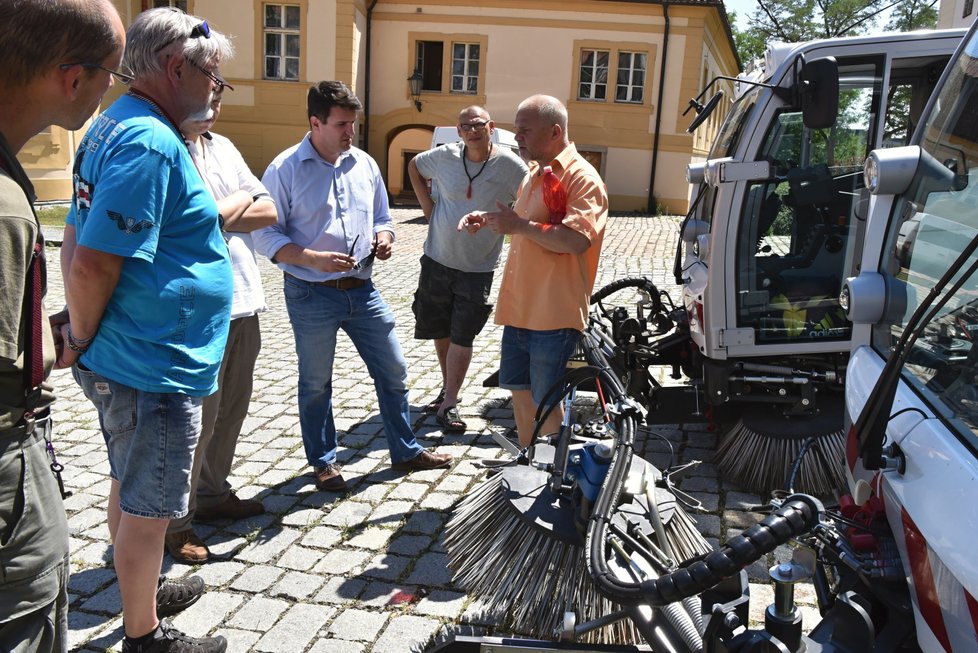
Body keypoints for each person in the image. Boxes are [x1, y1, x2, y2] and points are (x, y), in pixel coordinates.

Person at [58, 7, 234, 653]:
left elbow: (79, 234)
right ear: (174, 67)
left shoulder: (118, 125)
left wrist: (86, 333)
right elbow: (91, 259)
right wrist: (78, 336)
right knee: (151, 504)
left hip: (139, 354)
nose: (217, 88)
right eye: (213, 75)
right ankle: (144, 635)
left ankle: (140, 585)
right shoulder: (149, 141)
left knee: (131, 484)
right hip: (151, 363)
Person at [253, 81, 453, 492]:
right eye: (342, 124)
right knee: (315, 381)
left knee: (394, 370)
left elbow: (383, 216)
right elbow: (264, 235)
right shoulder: (284, 169)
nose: (351, 133)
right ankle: (324, 462)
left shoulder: (363, 163)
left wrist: (386, 237)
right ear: (315, 122)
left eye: (354, 124)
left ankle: (405, 450)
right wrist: (310, 258)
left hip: (362, 289)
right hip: (310, 293)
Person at [0, 3, 125, 651]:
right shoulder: (5, 208)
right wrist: (51, 346)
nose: (116, 85)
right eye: (113, 71)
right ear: (71, 78)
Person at [164, 89, 277, 564]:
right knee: (196, 421)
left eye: (217, 91)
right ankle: (177, 521)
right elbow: (185, 227)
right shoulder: (166, 147)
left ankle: (212, 493)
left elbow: (269, 209)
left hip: (244, 298)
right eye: (206, 88)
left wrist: (219, 212)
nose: (214, 100)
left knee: (232, 409)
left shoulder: (223, 146)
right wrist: (233, 206)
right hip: (195, 308)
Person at [460, 95, 608, 448]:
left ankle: (550, 476)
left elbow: (574, 241)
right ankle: (528, 461)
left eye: (525, 130)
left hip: (553, 315)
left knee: (546, 400)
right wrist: (491, 219)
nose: (517, 137)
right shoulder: (535, 173)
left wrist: (520, 225)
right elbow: (525, 224)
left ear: (555, 131)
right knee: (520, 392)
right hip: (521, 310)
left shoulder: (583, 179)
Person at [407, 106, 527, 433]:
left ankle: (451, 402)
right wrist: (428, 208)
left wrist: (511, 223)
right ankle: (448, 390)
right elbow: (414, 166)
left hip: (478, 267)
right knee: (441, 329)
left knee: (463, 332)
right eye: (465, 126)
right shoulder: (443, 156)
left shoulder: (510, 166)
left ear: (490, 127)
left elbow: (531, 198)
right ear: (458, 131)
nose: (472, 131)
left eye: (478, 125)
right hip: (437, 259)